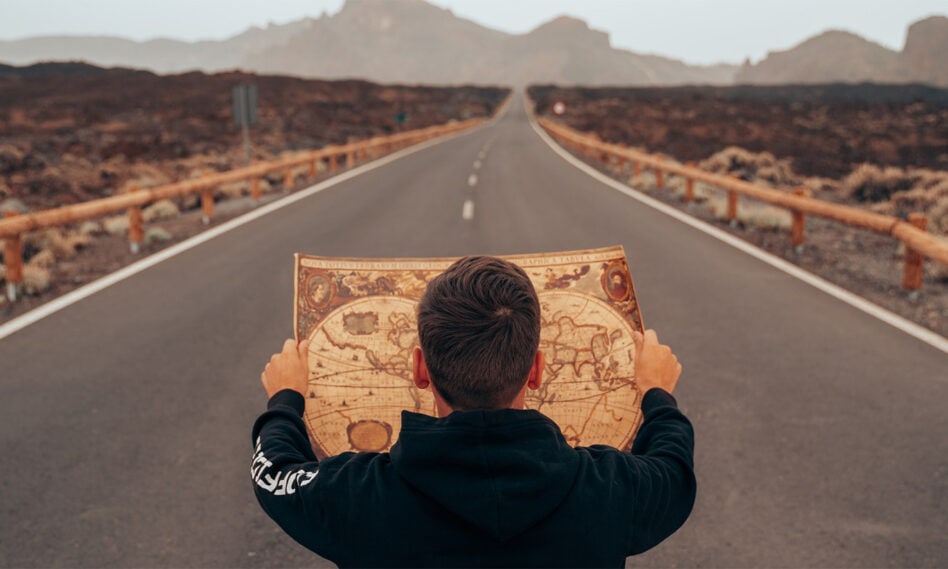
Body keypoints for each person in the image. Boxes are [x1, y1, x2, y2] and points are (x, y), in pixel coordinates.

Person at [252, 256, 695, 567]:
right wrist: (657, 394)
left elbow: (273, 472)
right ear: (537, 370)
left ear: (420, 369)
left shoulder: (354, 496)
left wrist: (286, 398)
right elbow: (674, 469)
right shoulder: (612, 493)